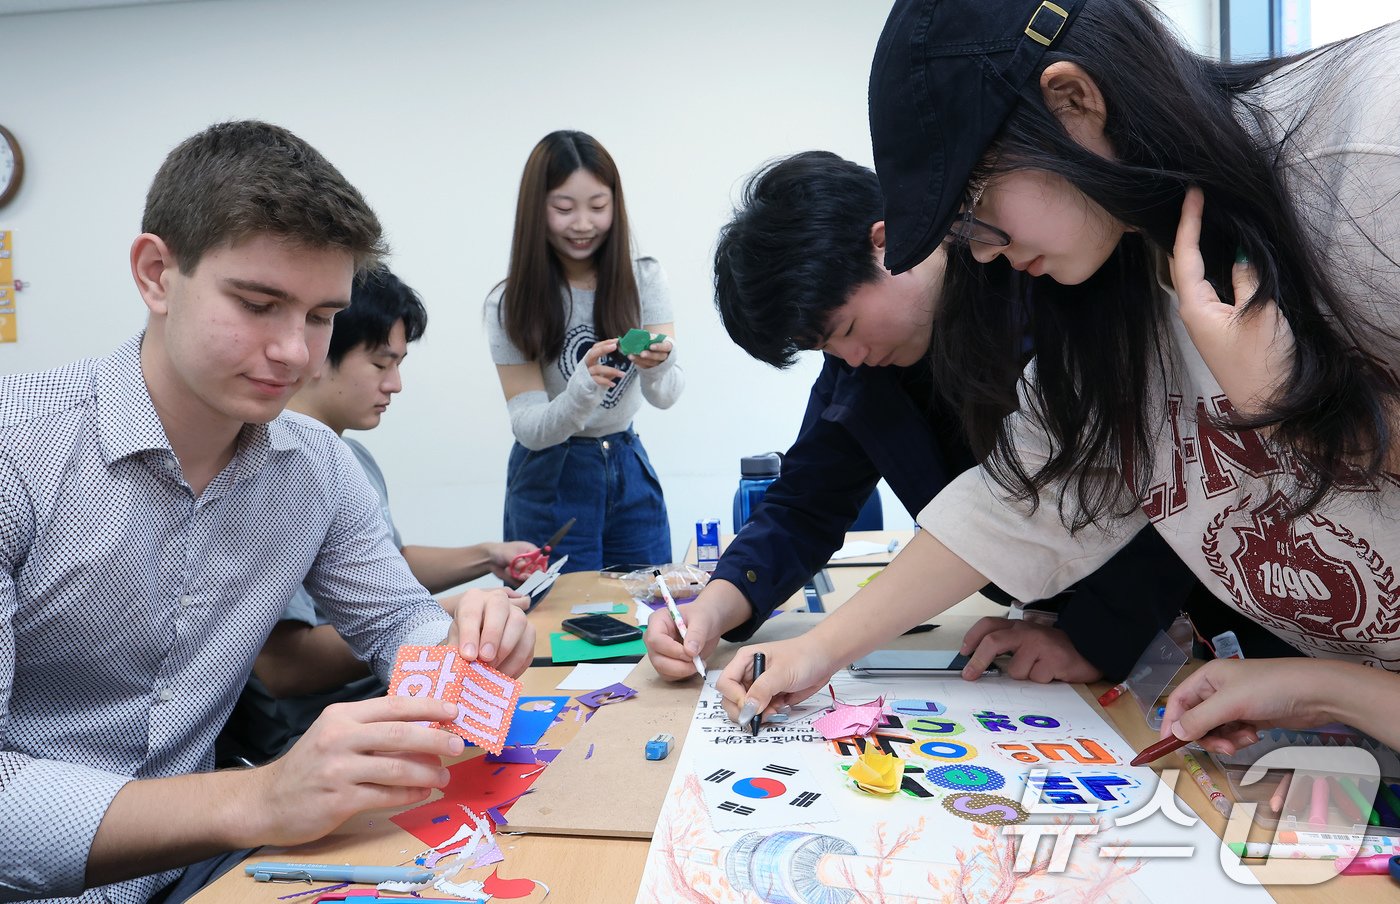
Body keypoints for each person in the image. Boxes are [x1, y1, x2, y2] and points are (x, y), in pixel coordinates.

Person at [719, 0, 1400, 752]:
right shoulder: (1117, 286)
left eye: (976, 204)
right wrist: (820, 649)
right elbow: (1020, 499)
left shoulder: (1369, 147)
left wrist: (1294, 409)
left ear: (1072, 101)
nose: (978, 253)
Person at [0, 120, 533, 903]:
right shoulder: (19, 453)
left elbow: (396, 626)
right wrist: (261, 797)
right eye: (259, 304)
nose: (295, 352)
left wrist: (464, 642)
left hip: (215, 874)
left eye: (321, 317)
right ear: (156, 274)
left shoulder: (318, 466)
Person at [645, 150, 1211, 686]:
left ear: (883, 243)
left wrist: (1095, 635)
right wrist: (716, 604)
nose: (852, 357)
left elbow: (1167, 474)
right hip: (1045, 626)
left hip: (1182, 614)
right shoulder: (863, 366)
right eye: (827, 349)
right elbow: (804, 504)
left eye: (844, 330)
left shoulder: (1039, 281)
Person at [219, 267, 537, 765]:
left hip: (385, 694)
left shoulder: (348, 460)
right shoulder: (268, 473)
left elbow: (389, 576)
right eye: (381, 363)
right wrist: (449, 614)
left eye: (400, 363)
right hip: (323, 729)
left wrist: (485, 558)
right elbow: (287, 666)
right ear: (320, 352)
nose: (396, 384)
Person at [485, 130, 683, 573]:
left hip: (627, 463)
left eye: (598, 206)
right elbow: (528, 428)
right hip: (550, 475)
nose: (582, 224)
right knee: (552, 629)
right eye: (563, 208)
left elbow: (667, 394)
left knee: (647, 614)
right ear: (536, 210)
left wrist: (659, 364)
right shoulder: (509, 303)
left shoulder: (644, 280)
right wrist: (581, 390)